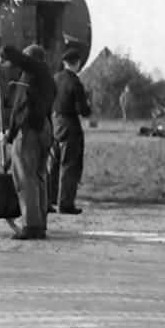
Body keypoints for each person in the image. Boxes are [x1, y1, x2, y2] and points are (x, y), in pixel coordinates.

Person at [0, 42, 55, 241]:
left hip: (29, 130)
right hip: (45, 128)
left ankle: (31, 226)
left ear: (31, 59)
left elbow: (19, 110)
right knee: (39, 177)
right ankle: (40, 224)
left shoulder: (33, 72)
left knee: (25, 178)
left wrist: (3, 49)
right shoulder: (48, 78)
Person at [46, 47, 93, 216]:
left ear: (64, 62)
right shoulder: (75, 82)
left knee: (54, 164)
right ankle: (65, 203)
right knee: (69, 165)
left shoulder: (55, 78)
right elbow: (83, 110)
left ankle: (49, 200)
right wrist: (88, 106)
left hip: (55, 123)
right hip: (70, 125)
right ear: (77, 63)